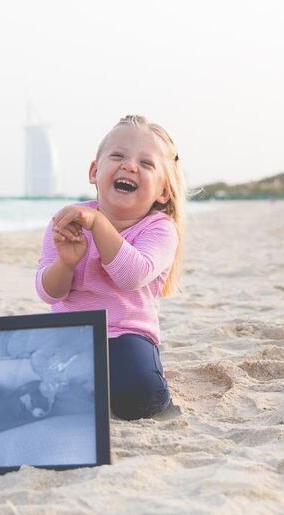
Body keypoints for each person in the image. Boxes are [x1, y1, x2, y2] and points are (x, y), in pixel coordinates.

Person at [36, 115, 185, 420]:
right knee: (39, 392)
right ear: (95, 172)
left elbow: (131, 276)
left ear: (163, 192)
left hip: (126, 335)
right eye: (118, 156)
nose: (130, 166)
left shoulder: (160, 229)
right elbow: (49, 293)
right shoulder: (67, 221)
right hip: (69, 334)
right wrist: (66, 263)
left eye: (146, 164)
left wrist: (98, 224)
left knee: (139, 396)